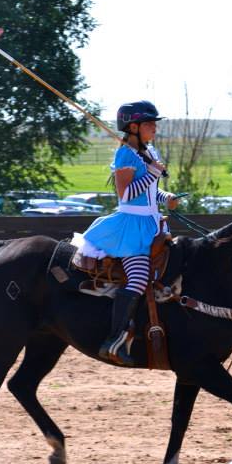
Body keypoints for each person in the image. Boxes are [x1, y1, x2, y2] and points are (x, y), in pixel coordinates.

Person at [76, 100, 179, 366]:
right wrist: (152, 173)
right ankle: (114, 339)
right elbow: (126, 194)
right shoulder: (125, 156)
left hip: (153, 223)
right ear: (133, 127)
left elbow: (148, 192)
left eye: (154, 123)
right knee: (137, 279)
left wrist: (166, 196)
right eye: (149, 123)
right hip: (131, 226)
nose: (154, 128)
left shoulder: (148, 152)